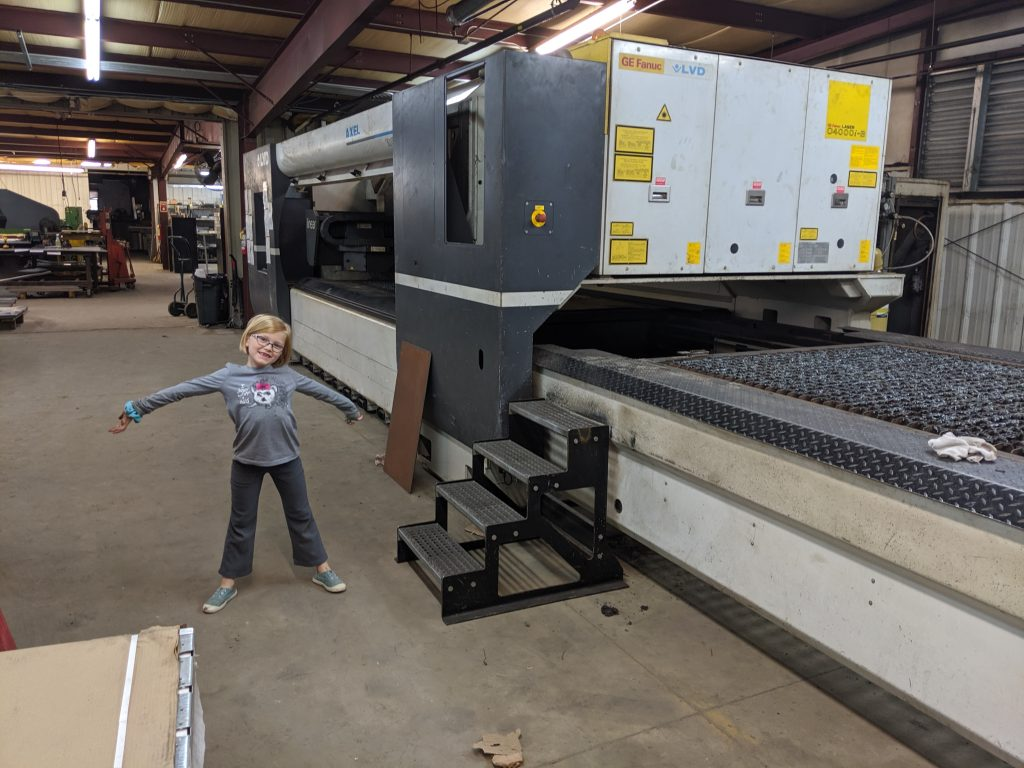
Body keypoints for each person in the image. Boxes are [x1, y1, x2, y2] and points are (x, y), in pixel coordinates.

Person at [110, 313, 363, 614]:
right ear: (247, 340)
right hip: (246, 462)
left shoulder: (287, 377)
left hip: (287, 460)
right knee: (241, 522)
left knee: (300, 514)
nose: (269, 348)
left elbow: (324, 393)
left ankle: (322, 569)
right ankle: (227, 584)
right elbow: (182, 389)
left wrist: (350, 409)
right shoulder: (228, 376)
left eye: (277, 346)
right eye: (262, 339)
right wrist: (138, 407)